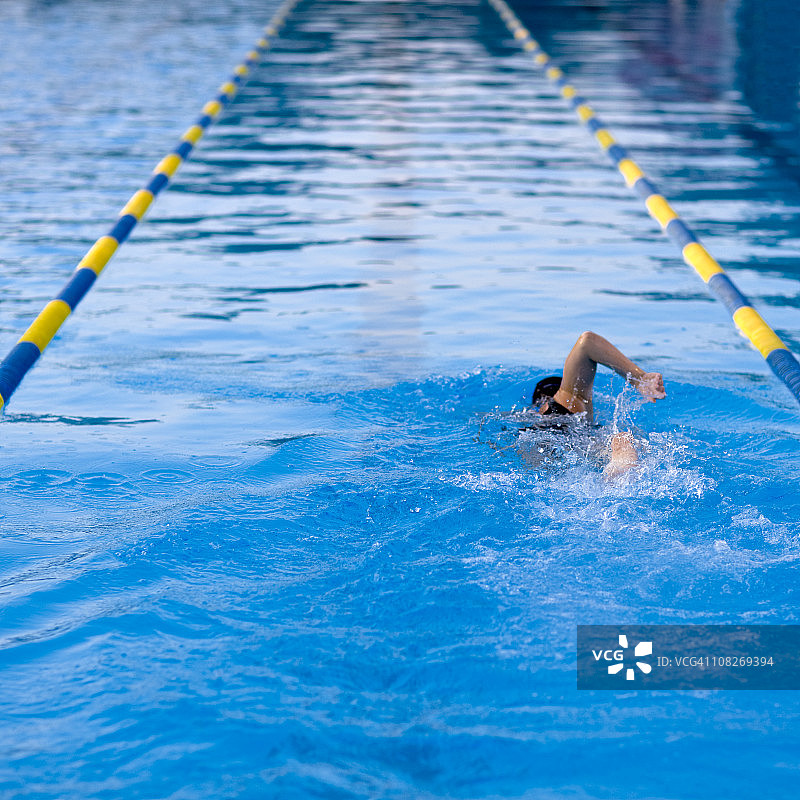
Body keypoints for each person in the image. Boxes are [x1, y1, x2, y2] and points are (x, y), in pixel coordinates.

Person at [530, 331, 666, 478]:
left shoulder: (527, 420)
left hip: (536, 453)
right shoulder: (567, 399)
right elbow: (587, 342)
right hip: (570, 440)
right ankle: (619, 472)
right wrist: (640, 379)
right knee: (622, 440)